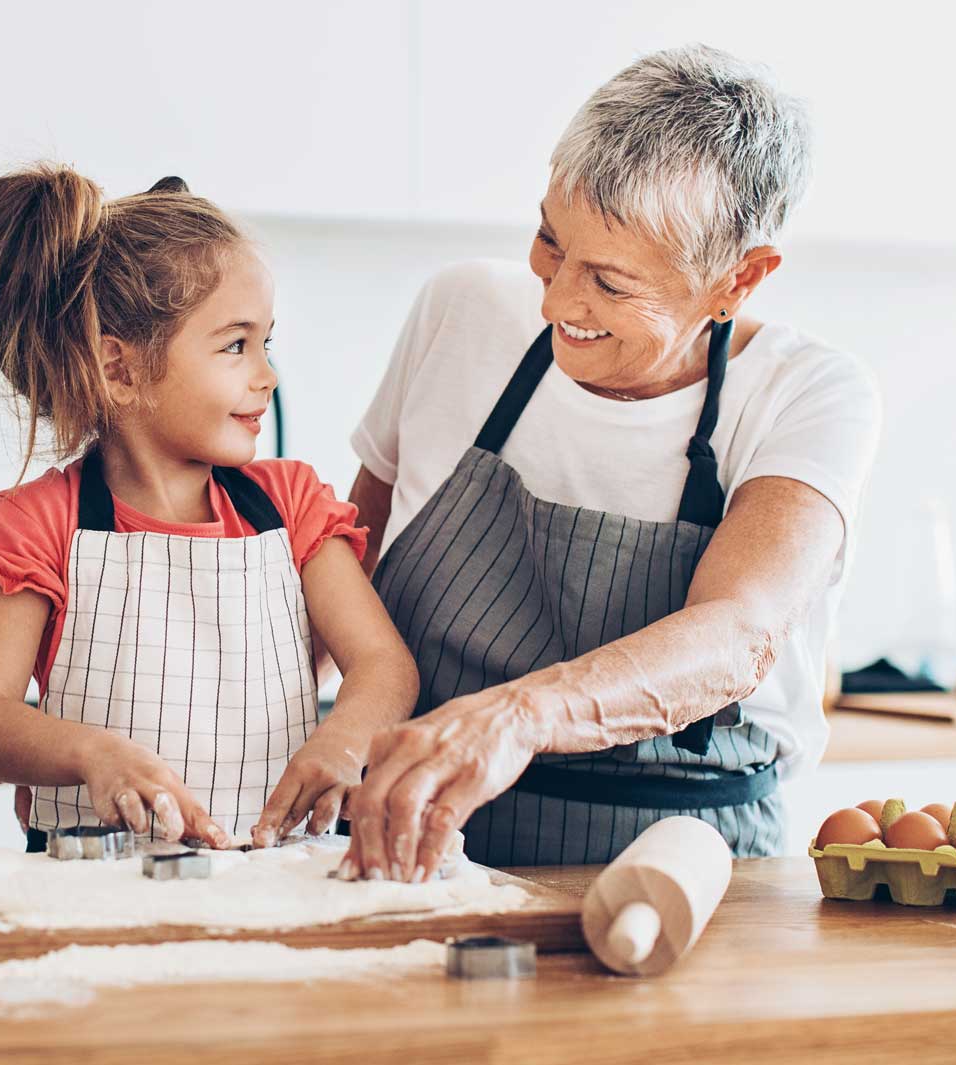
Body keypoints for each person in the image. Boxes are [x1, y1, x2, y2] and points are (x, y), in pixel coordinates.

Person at [339, 46, 882, 882]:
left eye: (610, 282)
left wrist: (519, 717)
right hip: (417, 843)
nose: (556, 302)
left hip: (690, 867)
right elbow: (348, 560)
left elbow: (739, 632)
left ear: (739, 279)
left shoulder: (809, 395)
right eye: (550, 243)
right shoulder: (461, 311)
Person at [0, 165, 418, 851]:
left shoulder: (291, 505)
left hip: (273, 878)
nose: (267, 375)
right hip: (92, 885)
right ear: (119, 370)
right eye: (235, 345)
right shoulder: (40, 523)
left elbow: (384, 664)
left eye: (266, 342)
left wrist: (343, 739)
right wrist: (91, 754)